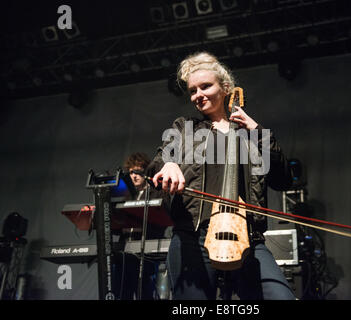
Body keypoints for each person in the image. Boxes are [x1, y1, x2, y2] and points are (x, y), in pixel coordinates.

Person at [147, 52, 296, 300]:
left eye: (205, 86)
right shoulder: (185, 128)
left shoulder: (251, 135)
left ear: (226, 88)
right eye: (193, 90)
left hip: (247, 238)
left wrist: (259, 132)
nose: (198, 95)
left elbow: (283, 179)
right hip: (193, 237)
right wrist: (169, 165)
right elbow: (157, 162)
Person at [112, 152, 158, 300]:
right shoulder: (127, 196)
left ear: (146, 173)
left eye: (138, 172)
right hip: (124, 254)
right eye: (131, 172)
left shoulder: (155, 194)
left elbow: (160, 221)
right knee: (122, 293)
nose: (134, 176)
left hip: (145, 255)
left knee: (144, 294)